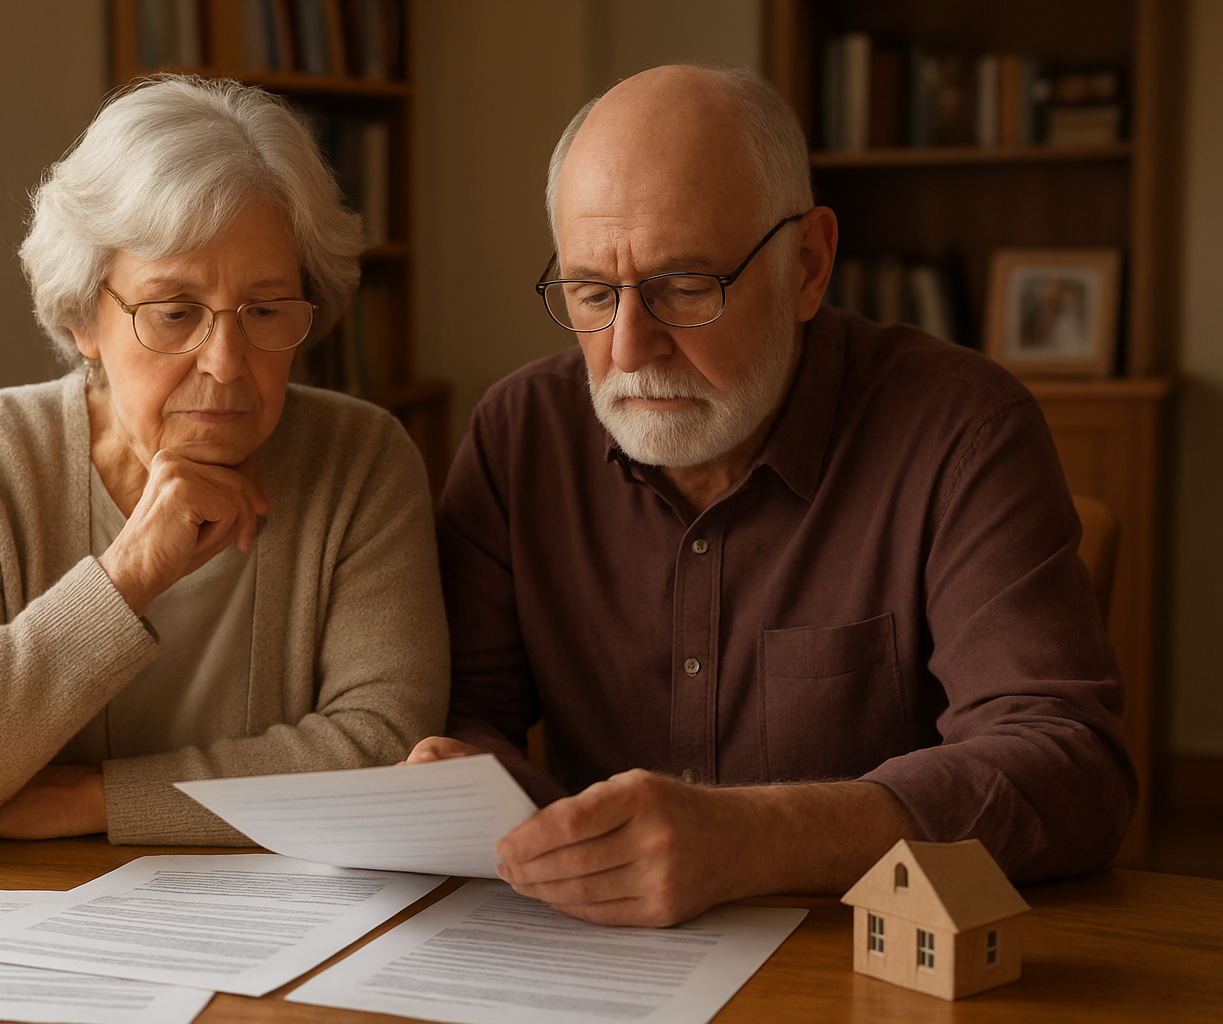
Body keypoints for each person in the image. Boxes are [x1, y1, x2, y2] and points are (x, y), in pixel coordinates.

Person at [409, 65, 1135, 927]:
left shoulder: (962, 430)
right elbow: (471, 716)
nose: (632, 348)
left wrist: (756, 840)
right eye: (594, 294)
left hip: (862, 962)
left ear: (808, 265)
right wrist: (491, 797)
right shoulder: (517, 436)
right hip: (602, 959)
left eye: (686, 288)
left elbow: (1071, 766)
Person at [0, 76, 448, 856]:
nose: (225, 361)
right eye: (175, 312)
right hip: (11, 929)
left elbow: (386, 753)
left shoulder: (362, 461)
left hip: (285, 930)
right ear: (85, 316)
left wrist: (96, 799)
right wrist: (125, 579)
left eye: (264, 309)